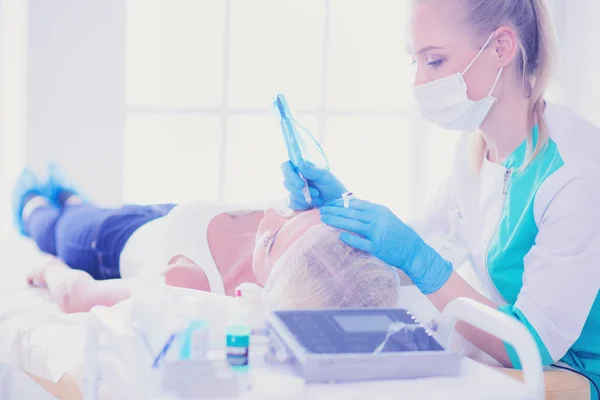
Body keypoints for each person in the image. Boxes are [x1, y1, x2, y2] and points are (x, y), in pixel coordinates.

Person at [282, 0, 600, 397]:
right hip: (520, 359)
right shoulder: (479, 151)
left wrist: (417, 259)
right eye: (414, 62)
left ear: (501, 48)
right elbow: (424, 243)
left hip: (578, 372)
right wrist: (341, 210)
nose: (419, 84)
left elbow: (530, 345)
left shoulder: (576, 174)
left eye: (434, 61)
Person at [11, 165, 401, 314]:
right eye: (299, 216)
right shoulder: (313, 248)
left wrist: (49, 267)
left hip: (106, 240)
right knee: (77, 203)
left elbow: (75, 297)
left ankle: (46, 201)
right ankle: (73, 199)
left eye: (269, 240)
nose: (269, 214)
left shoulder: (190, 285)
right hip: (170, 215)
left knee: (43, 218)